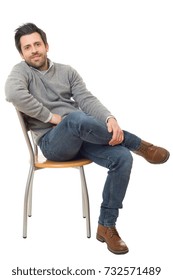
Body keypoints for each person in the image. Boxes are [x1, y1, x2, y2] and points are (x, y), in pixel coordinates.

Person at [5, 23, 170, 255]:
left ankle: (107, 226)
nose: (34, 50)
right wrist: (52, 118)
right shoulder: (20, 72)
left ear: (46, 46)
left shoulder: (67, 71)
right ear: (22, 53)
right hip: (53, 144)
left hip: (83, 137)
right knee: (74, 118)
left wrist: (110, 118)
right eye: (27, 47)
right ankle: (137, 144)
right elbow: (13, 94)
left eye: (37, 44)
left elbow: (86, 98)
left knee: (121, 157)